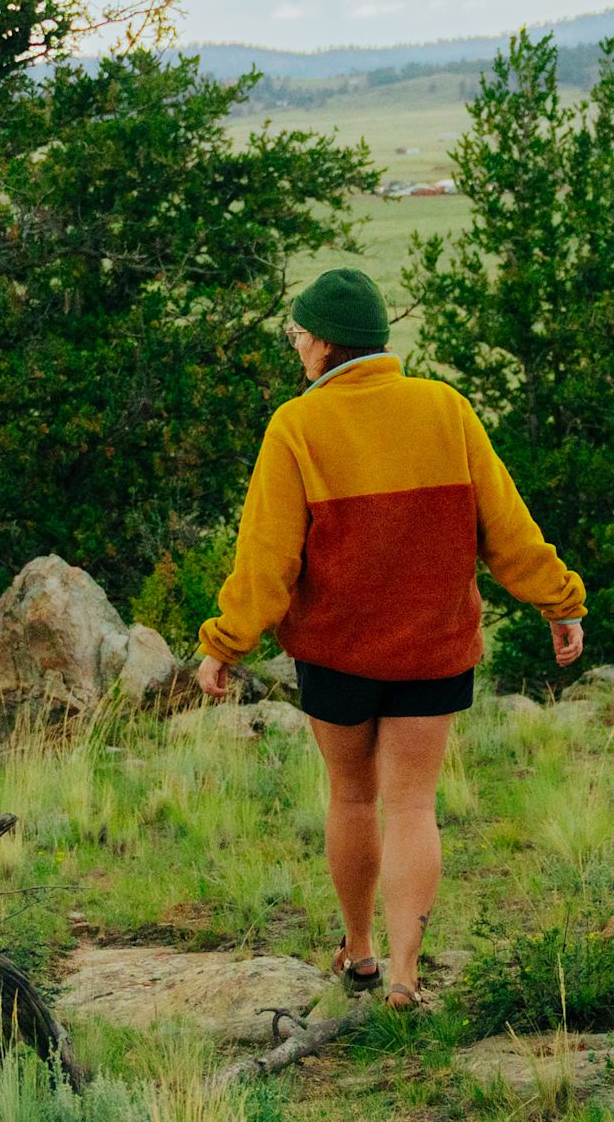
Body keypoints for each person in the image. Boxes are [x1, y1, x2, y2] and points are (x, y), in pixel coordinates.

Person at [195, 266, 586, 1007]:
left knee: (350, 797)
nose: (295, 347)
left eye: (297, 335)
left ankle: (362, 952)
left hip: (337, 652)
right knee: (412, 804)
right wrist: (558, 602)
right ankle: (407, 974)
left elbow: (267, 557)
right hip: (431, 647)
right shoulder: (445, 408)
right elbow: (507, 528)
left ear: (323, 342)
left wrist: (226, 641)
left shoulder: (298, 425)